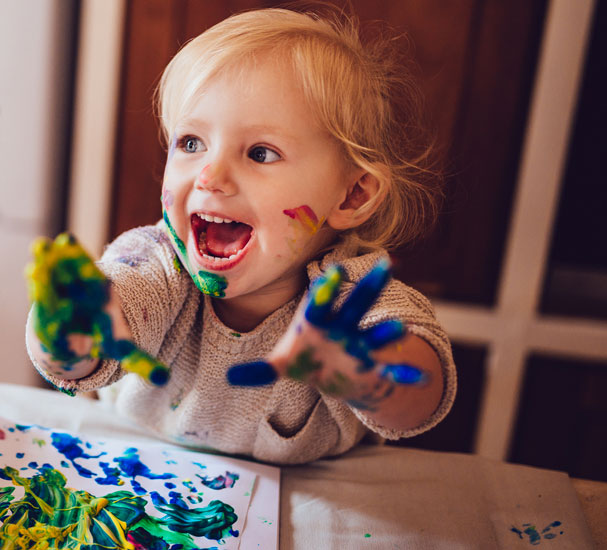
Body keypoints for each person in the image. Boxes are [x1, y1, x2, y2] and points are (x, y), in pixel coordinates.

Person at [25, 8, 455, 464]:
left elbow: (420, 400)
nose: (211, 176)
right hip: (134, 474)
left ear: (351, 195)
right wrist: (65, 333)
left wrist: (365, 375)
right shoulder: (156, 261)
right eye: (191, 142)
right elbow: (80, 355)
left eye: (260, 152)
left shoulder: (347, 300)